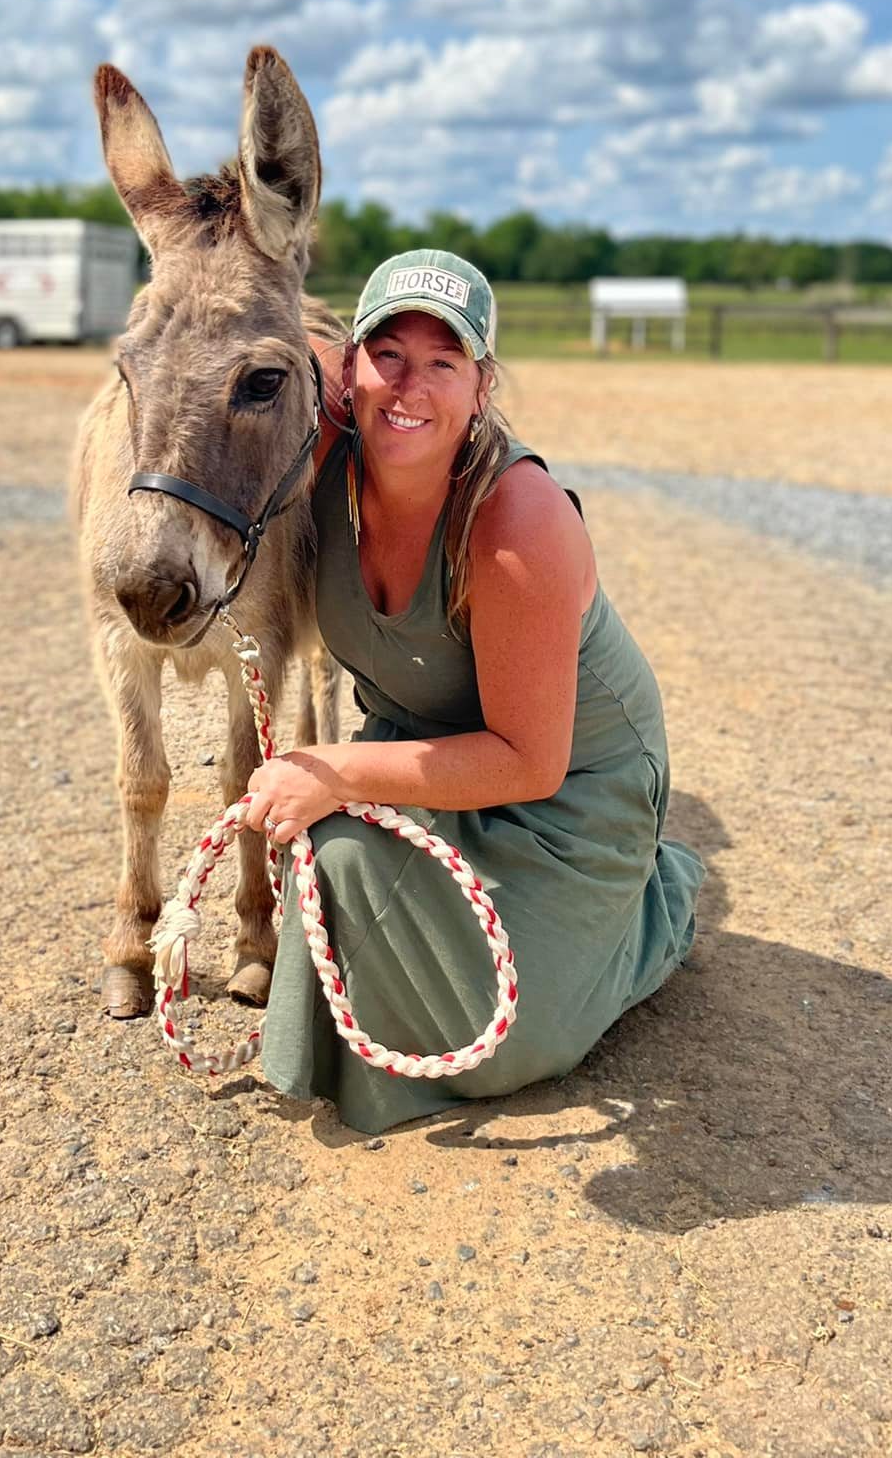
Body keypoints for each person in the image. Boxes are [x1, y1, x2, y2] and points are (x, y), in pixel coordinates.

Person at [245, 248, 704, 1134]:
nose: (409, 387)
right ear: (350, 368)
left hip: (565, 794)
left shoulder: (517, 521)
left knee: (506, 1044)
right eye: (389, 355)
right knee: (332, 856)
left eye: (443, 363)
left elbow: (530, 761)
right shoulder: (328, 436)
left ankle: (647, 909)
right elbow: (257, 336)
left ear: (482, 385)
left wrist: (335, 768)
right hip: (431, 737)